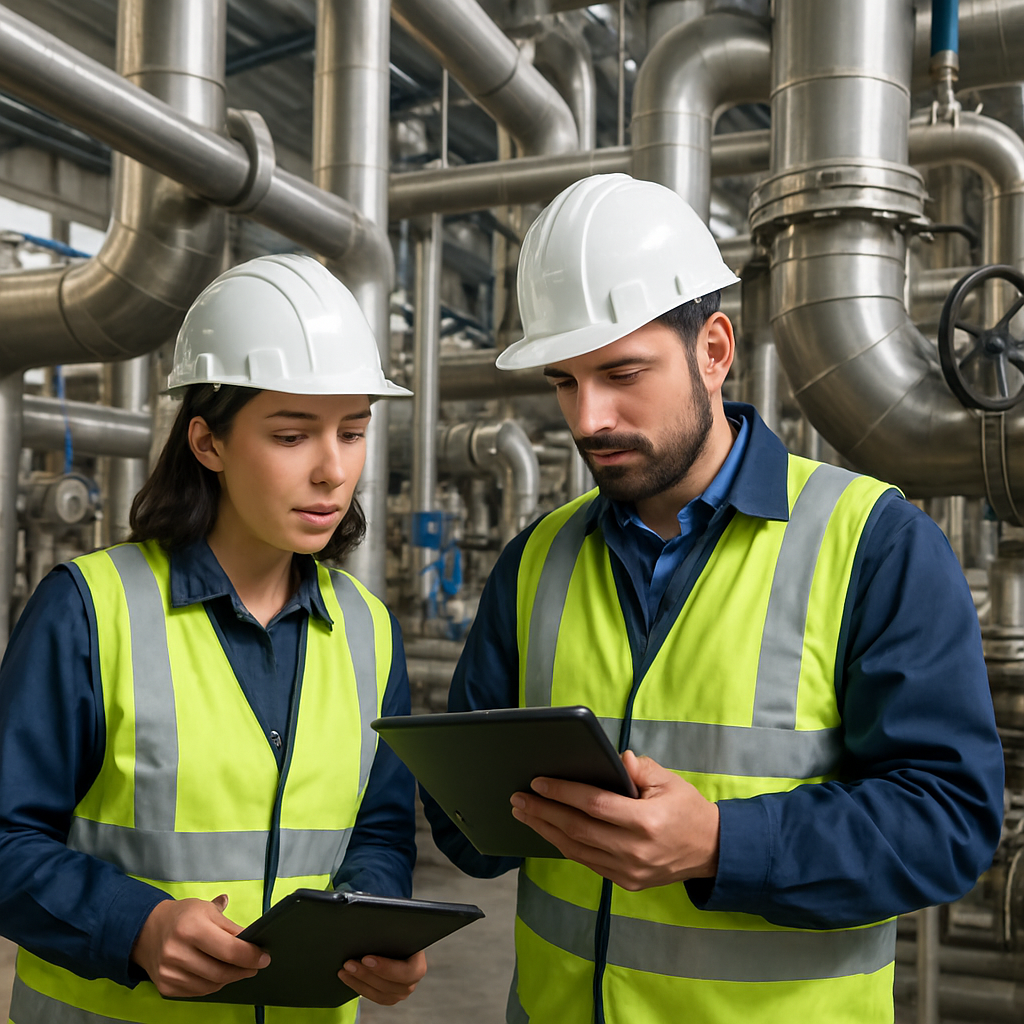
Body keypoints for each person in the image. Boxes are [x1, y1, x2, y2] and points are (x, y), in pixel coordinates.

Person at [422, 174, 1006, 1023]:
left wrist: (722, 846)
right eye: (564, 381)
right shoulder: (537, 560)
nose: (589, 418)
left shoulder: (871, 544)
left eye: (622, 372)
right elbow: (466, 831)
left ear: (715, 349)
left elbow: (950, 822)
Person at [0, 254, 427, 1022]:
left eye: (353, 432)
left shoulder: (370, 632)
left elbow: (381, 830)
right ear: (208, 443)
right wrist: (134, 925)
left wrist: (379, 922)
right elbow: (6, 839)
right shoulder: (90, 612)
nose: (334, 471)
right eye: (293, 436)